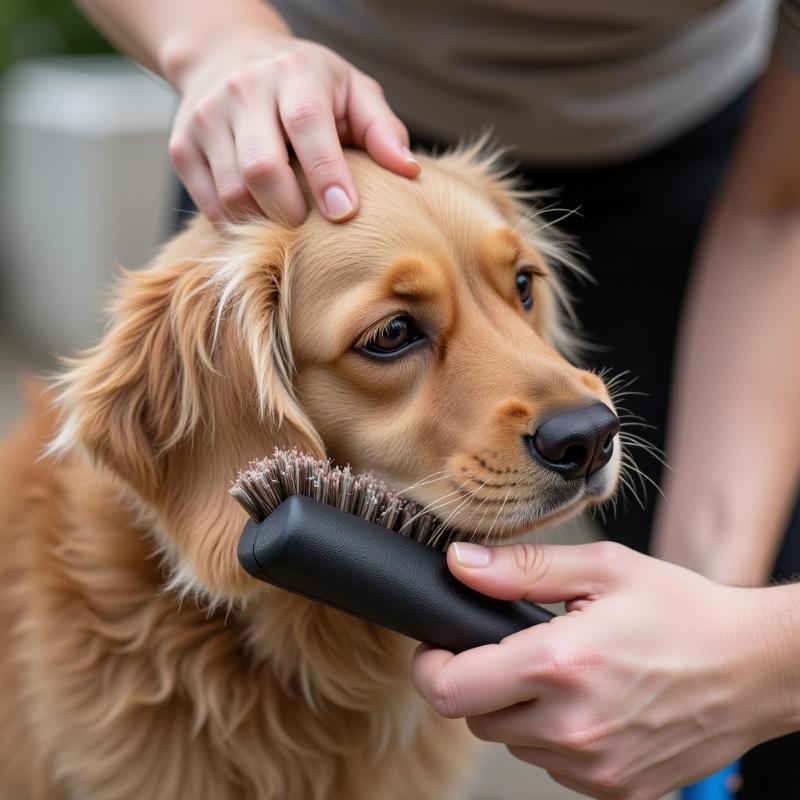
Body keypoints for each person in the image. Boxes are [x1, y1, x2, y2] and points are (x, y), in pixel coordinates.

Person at [75, 1, 800, 796]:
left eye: (521, 285)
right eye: (391, 335)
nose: (575, 417)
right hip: (288, 102)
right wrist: (216, 40)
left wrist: (722, 626)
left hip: (711, 125)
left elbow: (783, 208)